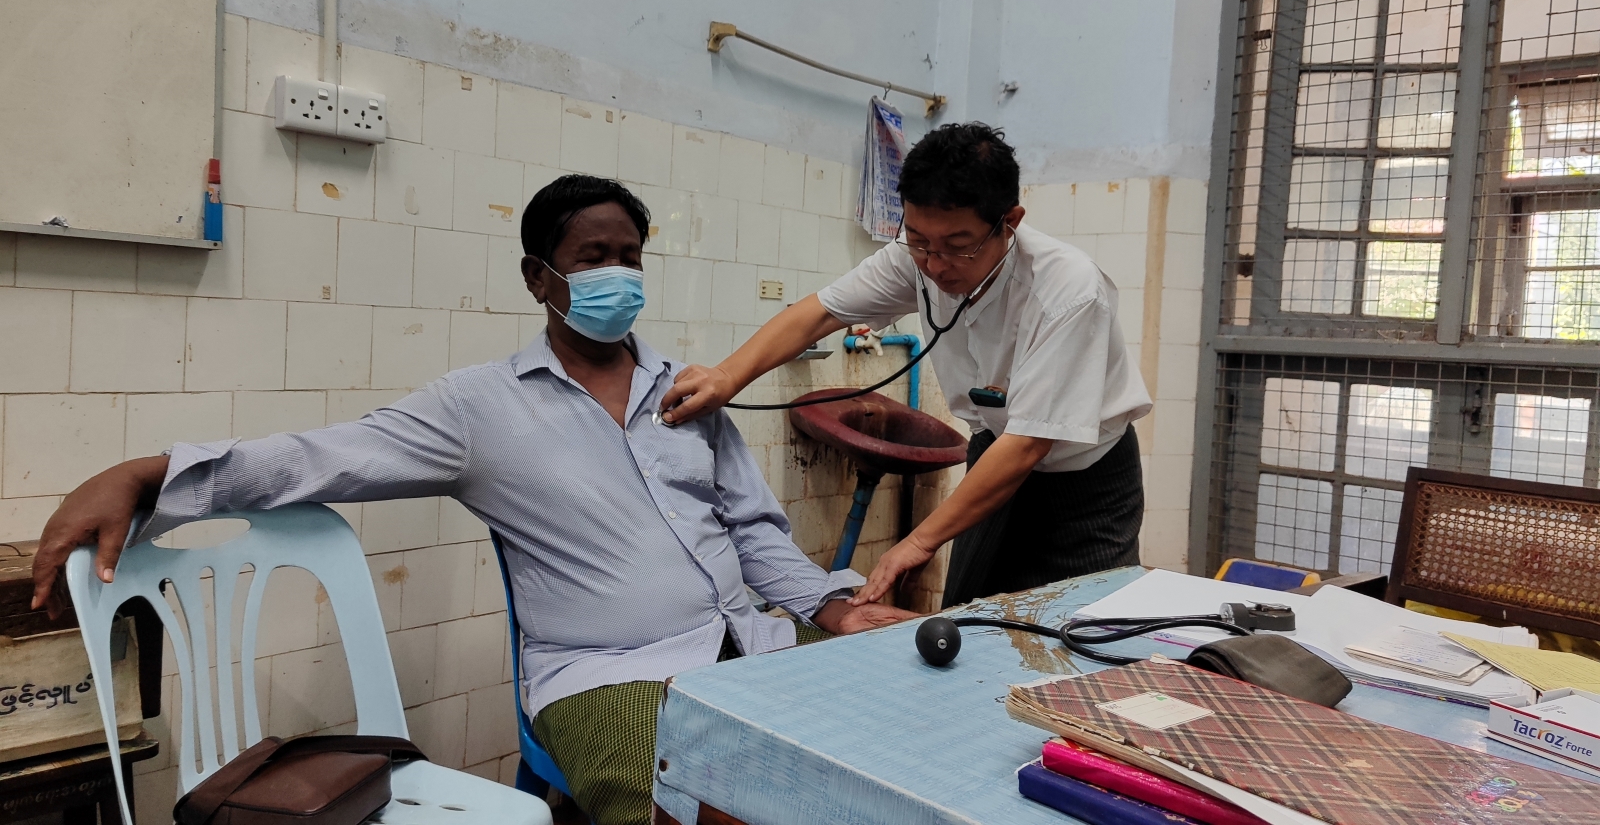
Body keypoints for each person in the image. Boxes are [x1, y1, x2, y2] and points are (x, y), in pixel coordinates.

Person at [30, 174, 916, 825]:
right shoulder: (480, 410)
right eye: (593, 258)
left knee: (894, 738)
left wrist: (829, 606)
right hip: (612, 676)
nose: (617, 274)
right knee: (705, 809)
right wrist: (152, 473)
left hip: (748, 641)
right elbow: (326, 458)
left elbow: (754, 531)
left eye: (630, 258)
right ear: (538, 277)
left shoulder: (691, 390)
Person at [661, 123, 1152, 608]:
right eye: (919, 240)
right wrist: (726, 376)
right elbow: (822, 313)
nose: (935, 265)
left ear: (1010, 221)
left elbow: (1028, 444)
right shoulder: (910, 259)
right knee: (970, 619)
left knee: (1083, 626)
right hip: (994, 454)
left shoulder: (1069, 291)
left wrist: (918, 541)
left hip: (1083, 481)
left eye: (958, 245)